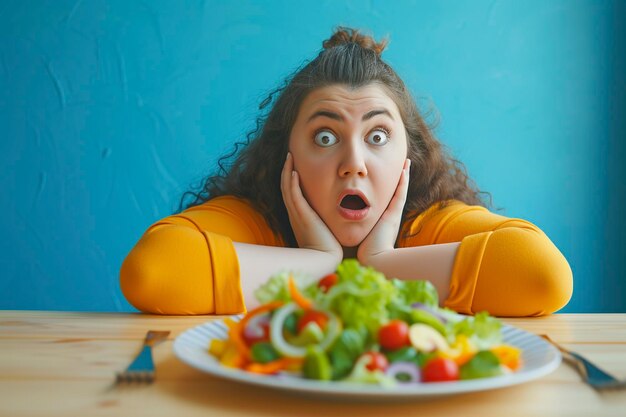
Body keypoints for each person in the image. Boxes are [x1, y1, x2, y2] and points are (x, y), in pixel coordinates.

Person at [120, 27, 573, 317]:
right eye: (324, 137)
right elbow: (153, 271)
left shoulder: (427, 224)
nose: (353, 163)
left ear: (406, 158)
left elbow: (543, 274)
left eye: (377, 137)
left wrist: (381, 265)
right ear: (286, 156)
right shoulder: (255, 220)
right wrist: (318, 264)